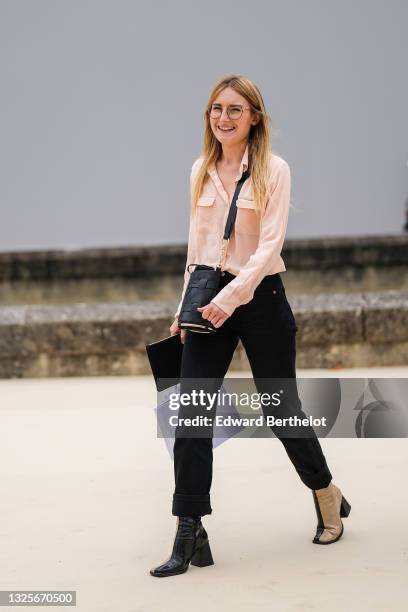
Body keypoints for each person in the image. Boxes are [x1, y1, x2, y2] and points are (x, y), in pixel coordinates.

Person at [150, 74, 351, 578]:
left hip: (260, 298)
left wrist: (230, 298)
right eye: (216, 109)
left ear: (255, 117)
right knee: (191, 414)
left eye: (235, 109)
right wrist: (185, 306)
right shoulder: (199, 169)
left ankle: (326, 492)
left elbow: (269, 247)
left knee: (282, 411)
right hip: (207, 301)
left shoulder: (274, 170)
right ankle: (188, 529)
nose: (223, 118)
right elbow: (196, 248)